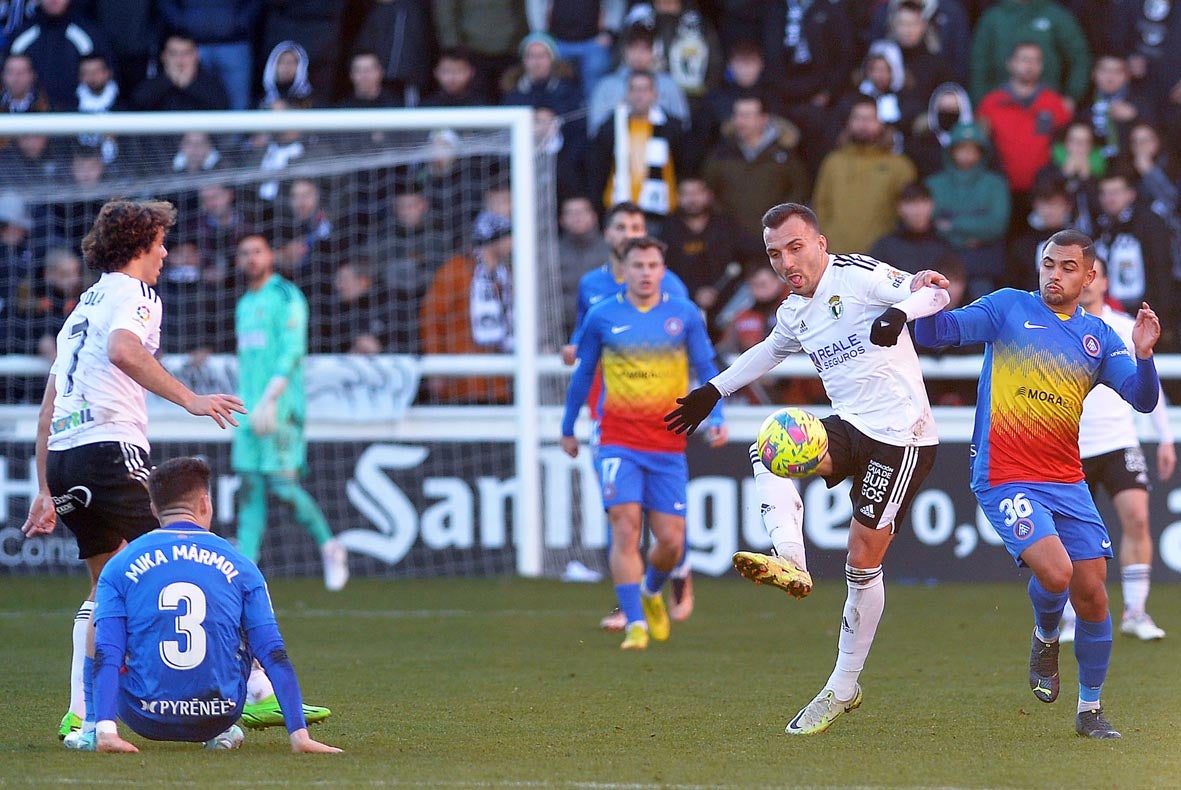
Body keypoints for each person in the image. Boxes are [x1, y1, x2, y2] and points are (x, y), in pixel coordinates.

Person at [665, 202, 949, 735]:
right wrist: (712, 390)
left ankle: (843, 686)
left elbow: (934, 290)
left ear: (820, 242)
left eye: (795, 248)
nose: (786, 262)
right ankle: (791, 559)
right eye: (775, 254)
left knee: (861, 560)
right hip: (850, 424)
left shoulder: (858, 275)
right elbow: (770, 351)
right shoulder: (794, 311)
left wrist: (900, 313)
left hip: (902, 436)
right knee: (768, 447)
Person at [914, 229, 1163, 739]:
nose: (1055, 273)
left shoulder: (1098, 338)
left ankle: (1090, 710)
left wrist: (1143, 354)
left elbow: (1141, 399)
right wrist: (930, 299)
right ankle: (1046, 633)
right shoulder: (1007, 307)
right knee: (1056, 574)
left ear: (1089, 277)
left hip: (1065, 478)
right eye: (1049, 263)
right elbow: (935, 335)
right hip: (1004, 473)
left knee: (1093, 595)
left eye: (1068, 267)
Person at [18, 200, 246, 740]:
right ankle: (227, 704)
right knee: (185, 564)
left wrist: (44, 486)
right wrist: (189, 399)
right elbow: (124, 351)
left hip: (69, 459)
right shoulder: (134, 293)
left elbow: (50, 403)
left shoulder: (80, 309)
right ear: (139, 246)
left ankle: (82, 716)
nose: (165, 252)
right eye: (160, 242)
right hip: (110, 449)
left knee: (108, 588)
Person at [83, 456, 342, 754]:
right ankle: (234, 724)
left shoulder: (120, 565)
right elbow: (273, 652)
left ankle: (95, 729)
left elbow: (107, 652)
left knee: (100, 619)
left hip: (144, 716)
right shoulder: (242, 565)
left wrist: (106, 726)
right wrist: (300, 736)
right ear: (205, 504)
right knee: (245, 623)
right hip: (217, 715)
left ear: (154, 509)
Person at [561, 236, 727, 650]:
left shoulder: (684, 313)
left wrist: (717, 415)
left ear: (662, 267)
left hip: (668, 440)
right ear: (625, 269)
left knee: (670, 541)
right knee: (625, 524)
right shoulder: (603, 315)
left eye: (653, 265)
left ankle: (653, 590)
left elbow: (706, 366)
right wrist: (568, 426)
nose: (646, 273)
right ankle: (635, 622)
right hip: (617, 437)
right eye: (638, 266)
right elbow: (583, 375)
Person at [1058, 257, 1174, 643]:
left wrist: (1165, 438)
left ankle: (1136, 612)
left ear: (1104, 281)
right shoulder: (1055, 328)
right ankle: (1073, 615)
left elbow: (1148, 384)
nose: (1086, 283)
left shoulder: (1125, 328)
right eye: (1078, 274)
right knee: (1071, 535)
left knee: (1138, 518)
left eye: (1092, 275)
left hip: (1119, 440)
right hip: (1070, 445)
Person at [232, 233, 349, 591]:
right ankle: (245, 570)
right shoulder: (243, 304)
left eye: (258, 251)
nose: (252, 258)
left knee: (283, 487)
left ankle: (331, 547)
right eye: (245, 253)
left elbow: (293, 348)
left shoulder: (285, 295)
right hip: (249, 411)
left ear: (270, 255)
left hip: (281, 407)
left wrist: (274, 394)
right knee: (250, 486)